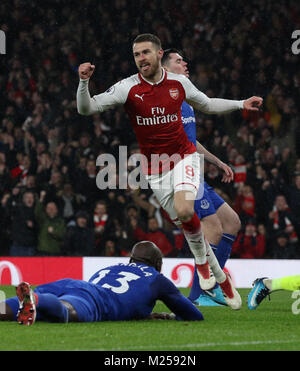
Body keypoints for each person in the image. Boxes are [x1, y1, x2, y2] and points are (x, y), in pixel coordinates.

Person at [76, 33, 261, 301]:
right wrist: (84, 83)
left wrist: (240, 104)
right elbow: (87, 109)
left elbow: (208, 104)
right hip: (156, 169)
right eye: (137, 54)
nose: (141, 59)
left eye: (145, 53)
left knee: (191, 212)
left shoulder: (179, 84)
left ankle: (202, 269)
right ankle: (219, 277)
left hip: (184, 158)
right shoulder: (128, 87)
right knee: (190, 223)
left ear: (158, 54)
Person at [161, 48, 241, 305]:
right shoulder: (163, 100)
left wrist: (216, 160)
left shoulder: (185, 99)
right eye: (178, 60)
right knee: (213, 229)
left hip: (195, 173)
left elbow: (191, 141)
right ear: (165, 67)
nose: (185, 63)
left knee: (232, 222)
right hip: (180, 175)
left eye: (184, 59)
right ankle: (198, 295)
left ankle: (211, 288)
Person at [0, 241, 204, 325]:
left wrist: (144, 314)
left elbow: (131, 299)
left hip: (72, 284)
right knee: (66, 310)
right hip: (96, 299)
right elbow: (193, 315)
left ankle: (27, 301)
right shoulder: (157, 278)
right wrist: (170, 315)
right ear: (158, 264)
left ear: (131, 259)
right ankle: (35, 299)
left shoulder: (111, 268)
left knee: (27, 307)